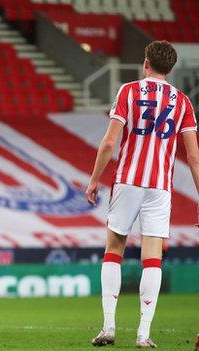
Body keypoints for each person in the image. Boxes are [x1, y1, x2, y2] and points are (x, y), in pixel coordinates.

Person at [86, 40, 199, 348]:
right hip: (160, 186)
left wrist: (94, 180)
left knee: (114, 249)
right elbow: (193, 157)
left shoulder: (128, 91)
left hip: (128, 180)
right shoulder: (183, 102)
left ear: (146, 63)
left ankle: (109, 328)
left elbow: (109, 143)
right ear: (171, 69)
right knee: (153, 257)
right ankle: (143, 334)